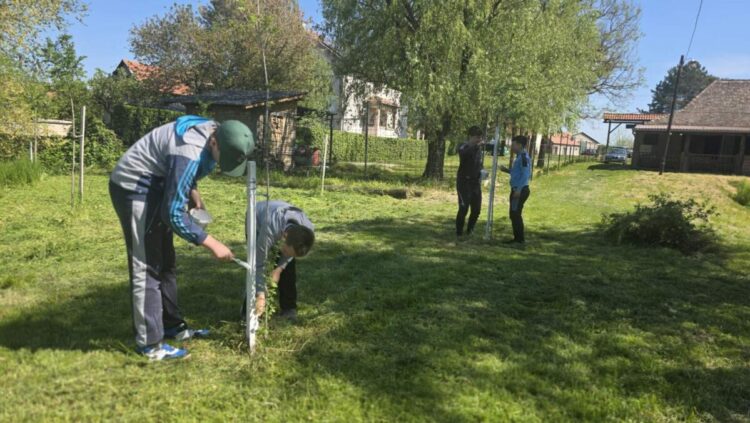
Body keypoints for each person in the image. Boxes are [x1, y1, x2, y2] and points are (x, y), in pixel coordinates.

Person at [109, 116, 254, 361]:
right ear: (215, 143)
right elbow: (172, 213)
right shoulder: (190, 149)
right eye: (223, 159)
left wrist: (194, 195)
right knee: (147, 265)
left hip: (159, 184)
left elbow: (187, 174)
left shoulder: (215, 134)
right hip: (135, 186)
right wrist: (211, 243)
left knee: (166, 262)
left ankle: (172, 327)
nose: (221, 165)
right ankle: (150, 345)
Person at [246, 200, 315, 322]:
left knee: (288, 268)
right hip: (256, 217)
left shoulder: (307, 231)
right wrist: (260, 295)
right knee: (253, 266)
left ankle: (288, 309)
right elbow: (259, 263)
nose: (287, 255)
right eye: (287, 251)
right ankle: (249, 315)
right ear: (284, 236)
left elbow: (289, 255)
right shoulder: (269, 230)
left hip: (282, 219)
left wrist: (279, 268)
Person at [500, 135, 532, 244]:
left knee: (515, 214)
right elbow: (517, 172)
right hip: (517, 189)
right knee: (513, 214)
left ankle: (519, 240)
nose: (511, 147)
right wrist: (506, 170)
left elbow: (525, 175)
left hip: (520, 190)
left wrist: (518, 190)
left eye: (513, 145)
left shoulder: (523, 157)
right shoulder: (519, 157)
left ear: (520, 145)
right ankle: (517, 238)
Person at [455, 125, 484, 237]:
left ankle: (470, 229)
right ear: (470, 137)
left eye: (480, 137)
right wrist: (475, 147)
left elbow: (478, 163)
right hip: (464, 183)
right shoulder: (463, 146)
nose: (479, 140)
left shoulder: (478, 149)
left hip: (475, 183)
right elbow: (464, 155)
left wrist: (482, 171)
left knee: (476, 209)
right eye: (477, 137)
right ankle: (459, 232)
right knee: (464, 208)